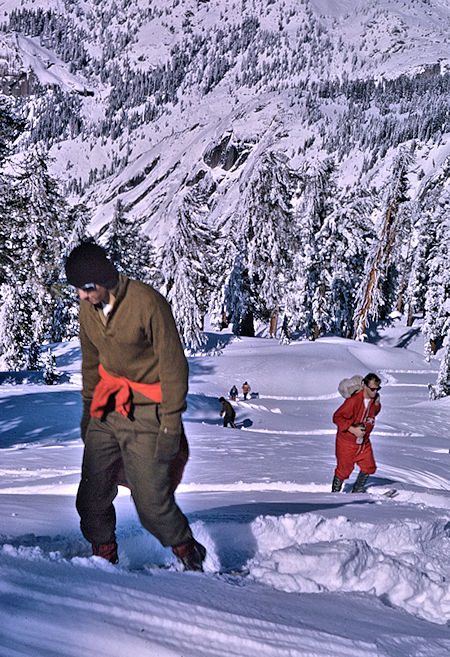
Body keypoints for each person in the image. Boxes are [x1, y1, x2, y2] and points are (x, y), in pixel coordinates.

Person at [64, 242, 206, 570]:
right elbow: (91, 362)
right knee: (91, 496)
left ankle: (187, 550)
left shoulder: (147, 303)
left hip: (148, 412)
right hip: (106, 406)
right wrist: (88, 411)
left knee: (152, 505)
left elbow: (173, 366)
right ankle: (105, 557)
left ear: (105, 278)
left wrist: (170, 423)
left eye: (87, 288)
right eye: (79, 290)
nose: (83, 297)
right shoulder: (88, 308)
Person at [331, 373, 382, 493]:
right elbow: (337, 417)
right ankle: (335, 494)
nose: (375, 391)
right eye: (373, 389)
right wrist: (352, 429)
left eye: (378, 389)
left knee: (369, 466)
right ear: (365, 386)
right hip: (346, 444)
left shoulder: (373, 401)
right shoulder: (353, 401)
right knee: (343, 471)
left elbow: (373, 413)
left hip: (363, 443)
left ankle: (357, 489)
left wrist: (377, 405)